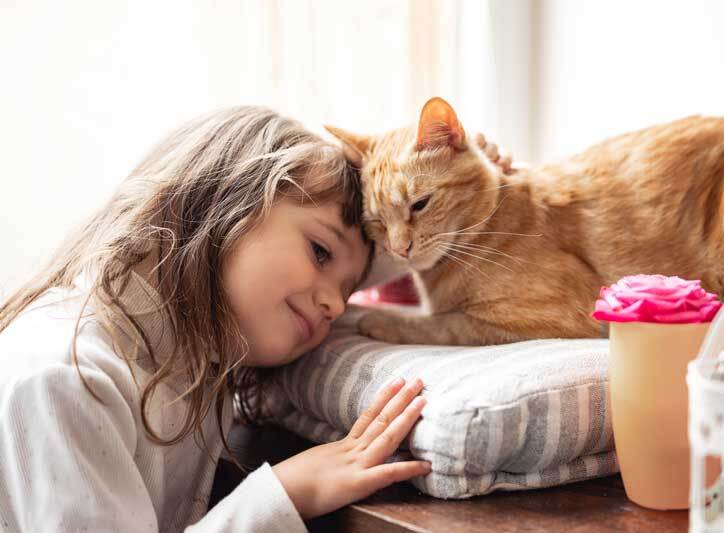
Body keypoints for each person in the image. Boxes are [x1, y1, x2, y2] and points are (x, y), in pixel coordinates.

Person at [0, 106, 430, 532]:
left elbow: (380, 243)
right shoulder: (68, 377)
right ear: (224, 200)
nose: (336, 307)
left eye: (347, 291)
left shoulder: (187, 361)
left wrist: (464, 179)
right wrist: (281, 495)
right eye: (320, 252)